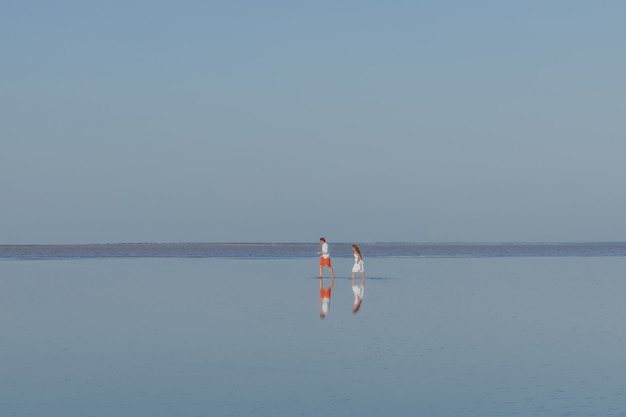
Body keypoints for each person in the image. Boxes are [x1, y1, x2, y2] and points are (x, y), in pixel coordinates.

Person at [351, 244, 365, 313]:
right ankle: (362, 279)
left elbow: (358, 256)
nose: (352, 249)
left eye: (353, 248)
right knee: (361, 271)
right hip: (358, 262)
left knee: (354, 270)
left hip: (357, 262)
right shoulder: (357, 305)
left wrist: (357, 261)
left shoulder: (356, 251)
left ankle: (353, 278)